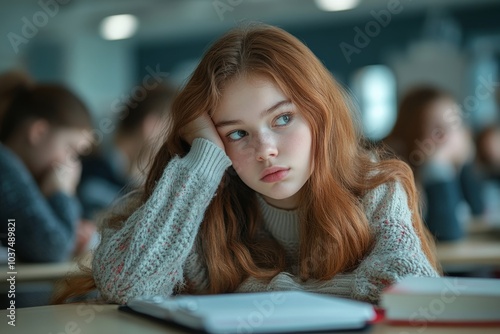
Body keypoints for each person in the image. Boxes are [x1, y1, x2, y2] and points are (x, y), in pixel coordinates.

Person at [54, 24, 440, 305]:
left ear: (319, 114)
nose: (265, 150)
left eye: (282, 118)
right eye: (236, 134)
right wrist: (201, 160)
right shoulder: (202, 204)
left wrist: (271, 290)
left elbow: (412, 286)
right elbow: (127, 286)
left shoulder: (374, 188)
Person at [0, 71, 94, 262]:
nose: (71, 164)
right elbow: (53, 248)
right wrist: (61, 193)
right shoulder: (5, 168)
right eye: (70, 150)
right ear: (38, 132)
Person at [384, 86, 485, 241]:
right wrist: (437, 166)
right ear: (411, 133)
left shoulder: (453, 167)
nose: (447, 136)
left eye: (454, 124)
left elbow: (478, 211)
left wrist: (465, 161)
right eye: (436, 129)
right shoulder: (397, 182)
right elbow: (446, 233)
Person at [77, 84, 175, 219]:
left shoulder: (122, 176)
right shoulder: (94, 175)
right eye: (172, 131)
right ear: (152, 125)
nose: (174, 144)